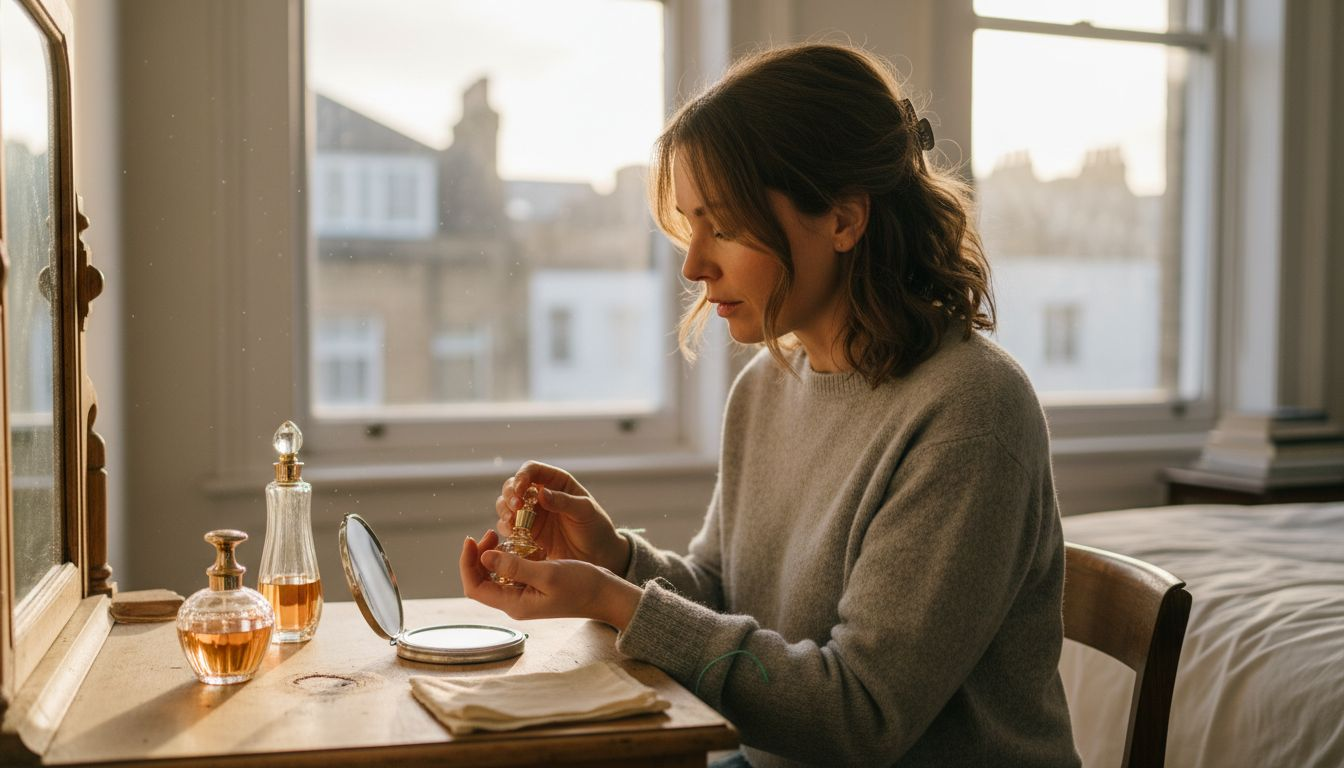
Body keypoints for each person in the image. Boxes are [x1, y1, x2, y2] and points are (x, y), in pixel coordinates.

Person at [459, 42, 1080, 767]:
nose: (694, 264)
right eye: (690, 225)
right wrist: (615, 558)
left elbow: (859, 716)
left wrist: (611, 601)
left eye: (723, 227)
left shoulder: (970, 413)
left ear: (843, 220)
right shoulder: (765, 385)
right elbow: (725, 594)